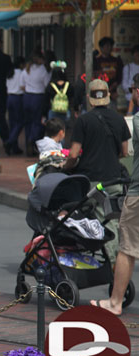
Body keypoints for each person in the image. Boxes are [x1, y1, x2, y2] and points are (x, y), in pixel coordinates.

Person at [64, 79, 130, 264]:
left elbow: (74, 154)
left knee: (100, 221)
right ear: (108, 96)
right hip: (115, 180)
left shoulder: (83, 121)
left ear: (89, 99)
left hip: (93, 182)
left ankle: (114, 264)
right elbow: (124, 151)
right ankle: (118, 259)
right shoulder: (119, 119)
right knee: (114, 220)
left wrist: (66, 166)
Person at [91, 75, 139, 315]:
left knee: (127, 247)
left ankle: (115, 301)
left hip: (134, 190)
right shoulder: (120, 121)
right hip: (119, 181)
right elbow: (123, 149)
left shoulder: (136, 120)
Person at [20, 50, 50, 157]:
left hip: (27, 97)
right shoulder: (43, 70)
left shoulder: (26, 70)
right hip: (38, 97)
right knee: (38, 122)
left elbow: (22, 85)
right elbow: (47, 84)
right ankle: (34, 141)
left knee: (28, 122)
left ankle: (28, 139)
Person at [94, 37, 123, 104]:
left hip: (113, 93)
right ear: (101, 48)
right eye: (106, 46)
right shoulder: (96, 61)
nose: (109, 48)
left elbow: (119, 77)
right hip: (100, 93)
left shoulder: (116, 60)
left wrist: (112, 88)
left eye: (110, 46)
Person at [5, 57, 25, 155]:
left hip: (9, 98)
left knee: (12, 123)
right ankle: (10, 141)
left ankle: (14, 146)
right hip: (18, 98)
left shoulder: (10, 73)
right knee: (19, 122)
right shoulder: (22, 73)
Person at [123, 45, 139, 115]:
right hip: (130, 99)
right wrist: (133, 88)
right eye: (136, 52)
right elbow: (124, 85)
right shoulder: (128, 67)